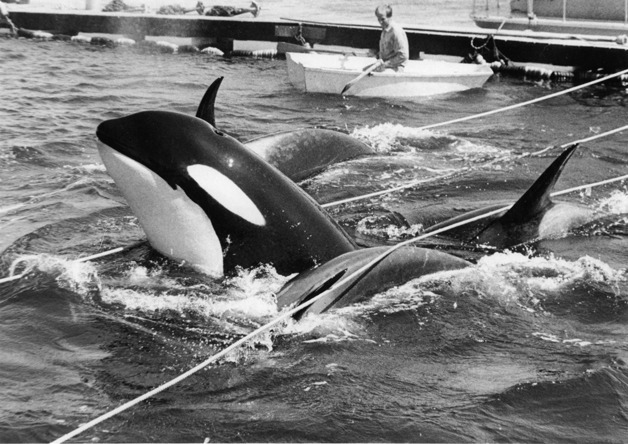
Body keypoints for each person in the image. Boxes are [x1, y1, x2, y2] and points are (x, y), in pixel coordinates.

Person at [372, 4, 409, 72]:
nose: (380, 22)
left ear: (390, 17)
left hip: (397, 67)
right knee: (364, 70)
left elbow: (403, 56)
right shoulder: (385, 29)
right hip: (386, 64)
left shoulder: (396, 32)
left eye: (383, 19)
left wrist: (385, 64)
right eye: (378, 19)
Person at [195, 0, 260, 17]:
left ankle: (252, 9)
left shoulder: (208, 10)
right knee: (237, 10)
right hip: (226, 11)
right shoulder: (208, 11)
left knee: (237, 10)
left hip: (224, 10)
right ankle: (253, 9)